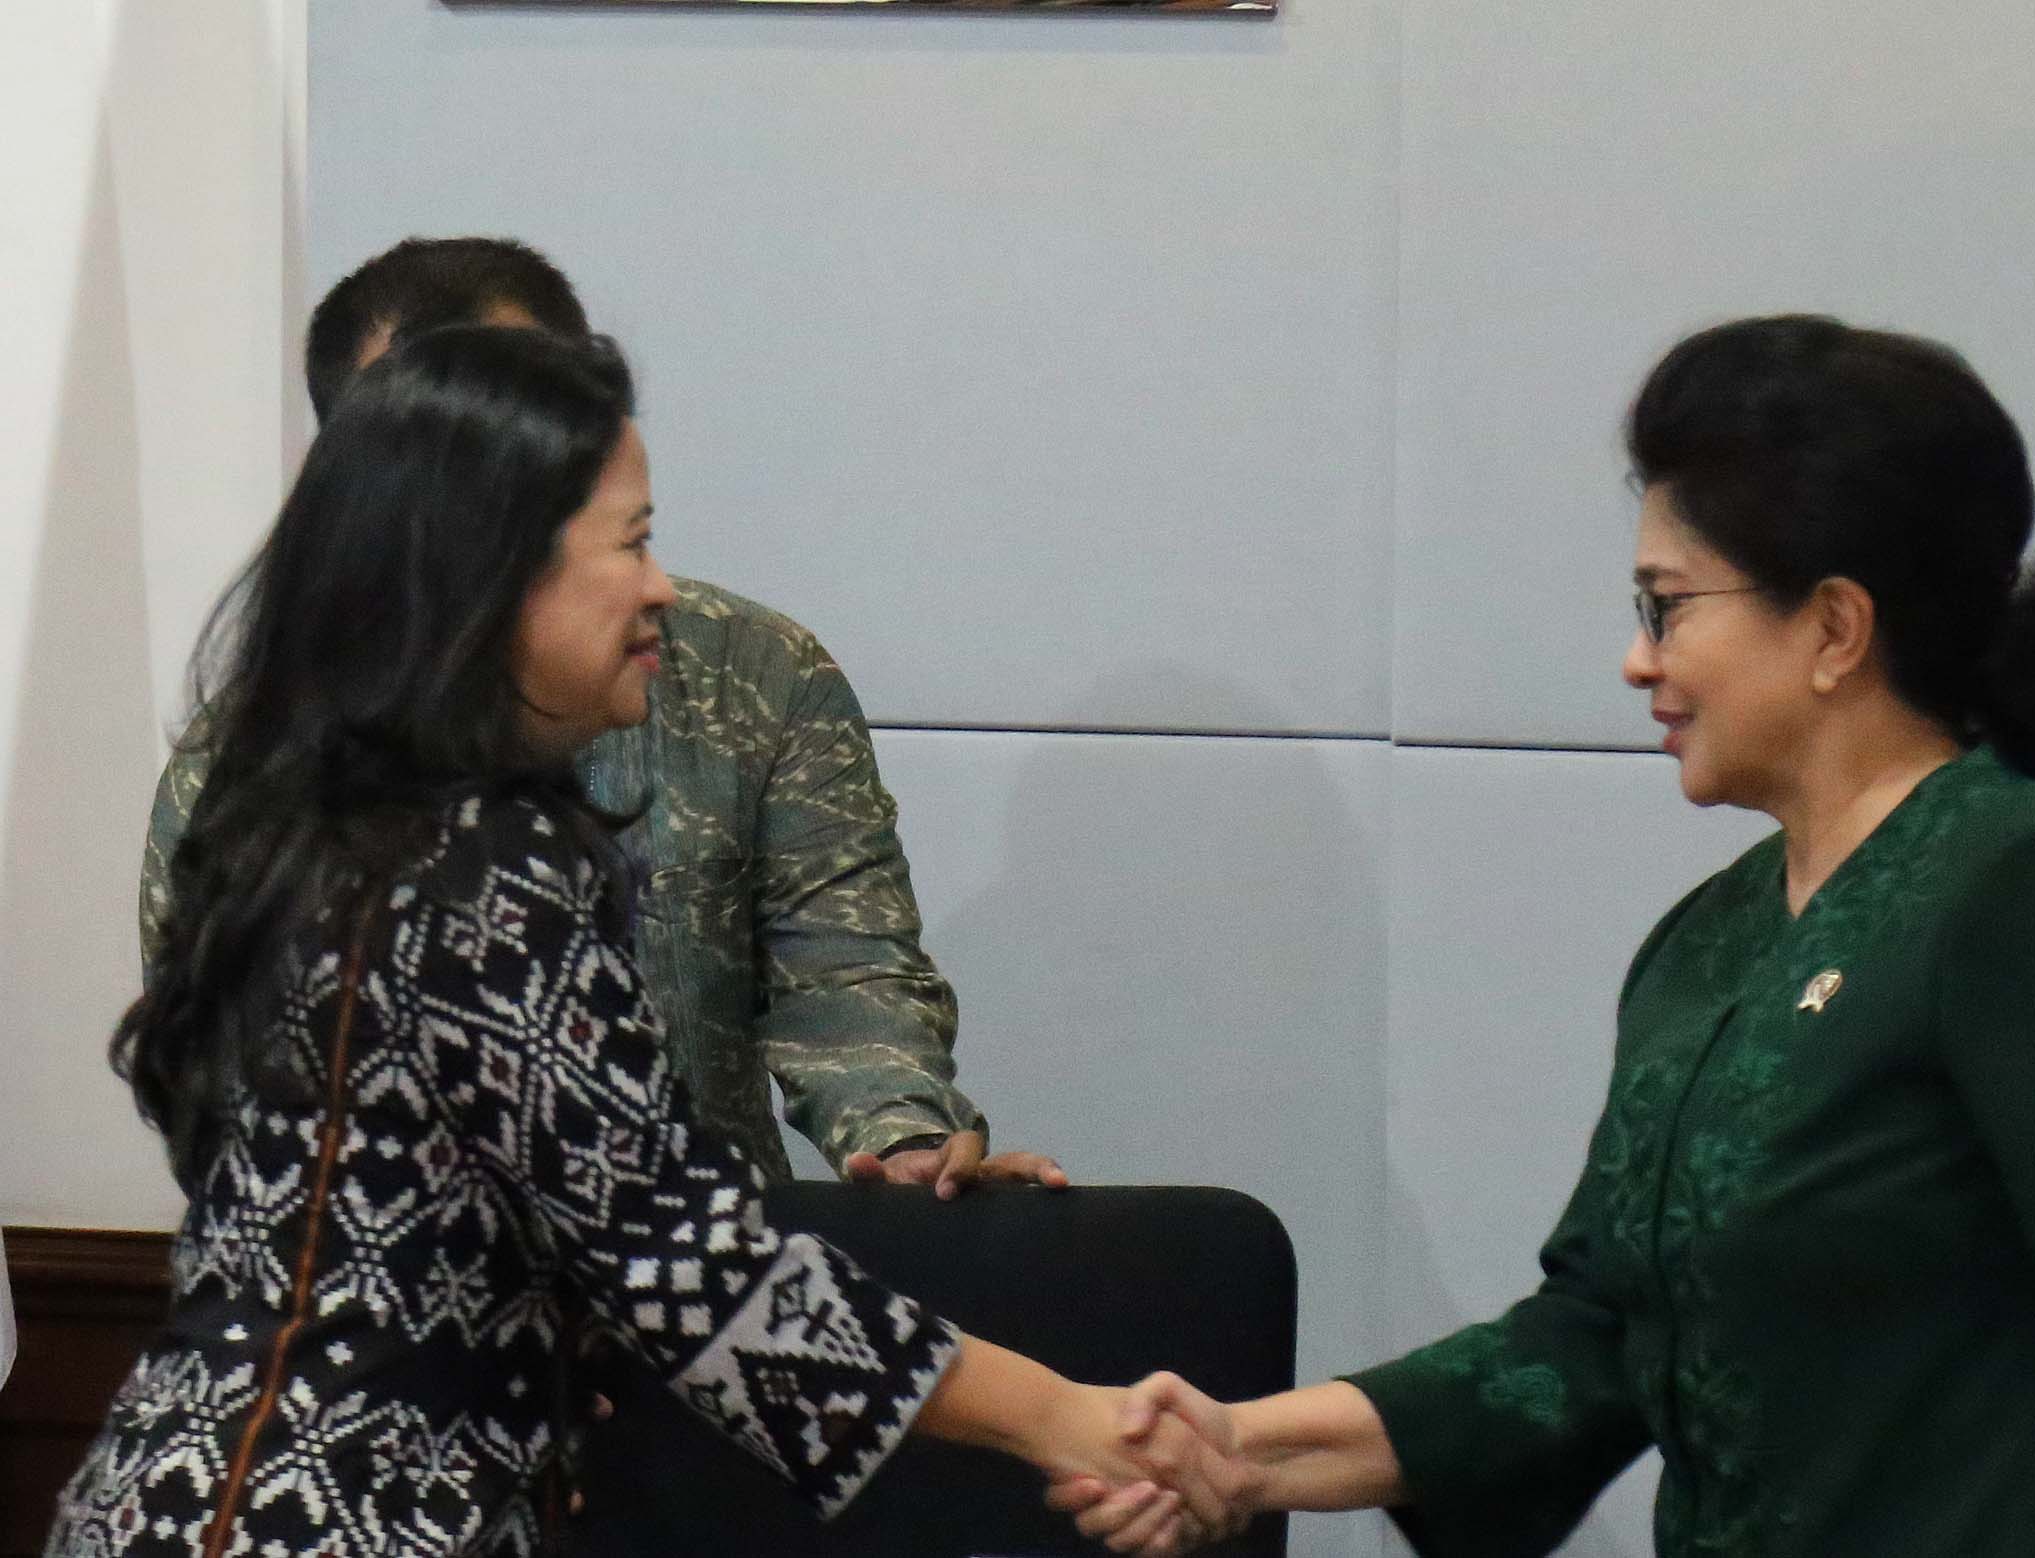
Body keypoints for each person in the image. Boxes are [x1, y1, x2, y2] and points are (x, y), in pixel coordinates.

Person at [1058, 315, 2035, 1556]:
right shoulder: (1709, 940)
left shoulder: (2027, 889)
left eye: (1666, 606)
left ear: (1834, 627)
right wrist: (1236, 1449)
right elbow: (1594, 1342)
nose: (1635, 661)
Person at [50, 327, 1217, 1557]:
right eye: (632, 542)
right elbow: (696, 1272)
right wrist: (1069, 1420)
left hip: (187, 1493)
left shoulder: (314, 819)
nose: (662, 587)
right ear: (492, 573)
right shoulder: (479, 871)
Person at [139, 236, 1061, 1199]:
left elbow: (843, 973)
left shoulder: (757, 672)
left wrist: (905, 1145)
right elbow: (220, 1091)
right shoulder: (261, 759)